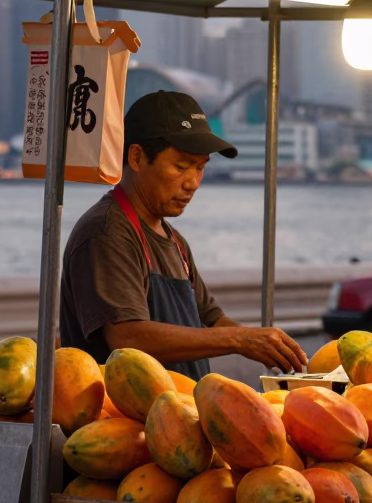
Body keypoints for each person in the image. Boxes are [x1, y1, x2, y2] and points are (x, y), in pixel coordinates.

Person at [60, 90, 306, 381]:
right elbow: (128, 338)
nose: (193, 183)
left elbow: (212, 321)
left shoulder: (174, 241)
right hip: (122, 422)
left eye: (200, 168)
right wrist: (239, 340)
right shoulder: (106, 233)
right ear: (137, 157)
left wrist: (264, 342)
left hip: (179, 414)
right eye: (181, 166)